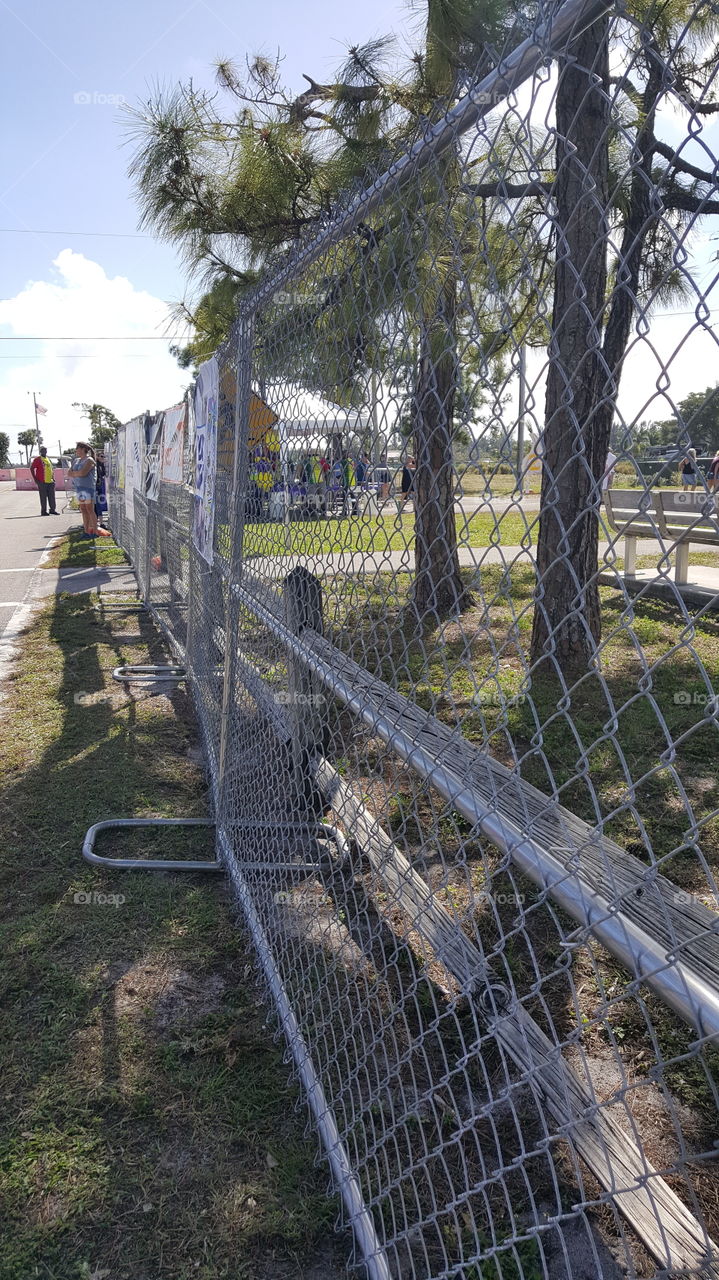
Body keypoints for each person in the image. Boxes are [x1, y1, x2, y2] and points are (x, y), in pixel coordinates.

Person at [71, 442, 111, 537]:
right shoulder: (76, 460)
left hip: (88, 488)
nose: (76, 450)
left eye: (77, 448)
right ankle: (86, 531)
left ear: (83, 449)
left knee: (90, 509)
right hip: (79, 488)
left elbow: (83, 473)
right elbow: (69, 473)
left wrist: (75, 473)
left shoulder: (89, 460)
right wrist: (77, 473)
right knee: (83, 509)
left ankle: (95, 531)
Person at [30, 446, 57, 515]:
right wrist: (35, 479)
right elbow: (32, 468)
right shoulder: (38, 459)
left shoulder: (48, 459)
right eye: (43, 450)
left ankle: (52, 510)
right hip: (42, 482)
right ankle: (43, 511)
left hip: (50, 482)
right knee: (43, 497)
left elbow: (50, 469)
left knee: (52, 496)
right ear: (40, 451)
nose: (45, 451)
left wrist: (53, 478)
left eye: (45, 450)